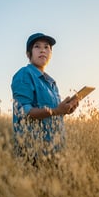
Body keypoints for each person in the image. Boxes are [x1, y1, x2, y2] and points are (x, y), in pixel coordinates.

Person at [11, 33, 78, 165]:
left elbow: (54, 114)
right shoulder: (25, 74)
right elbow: (24, 112)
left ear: (51, 54)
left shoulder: (51, 82)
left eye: (47, 47)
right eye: (37, 47)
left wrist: (66, 110)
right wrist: (56, 111)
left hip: (55, 150)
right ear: (28, 54)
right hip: (33, 152)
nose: (43, 50)